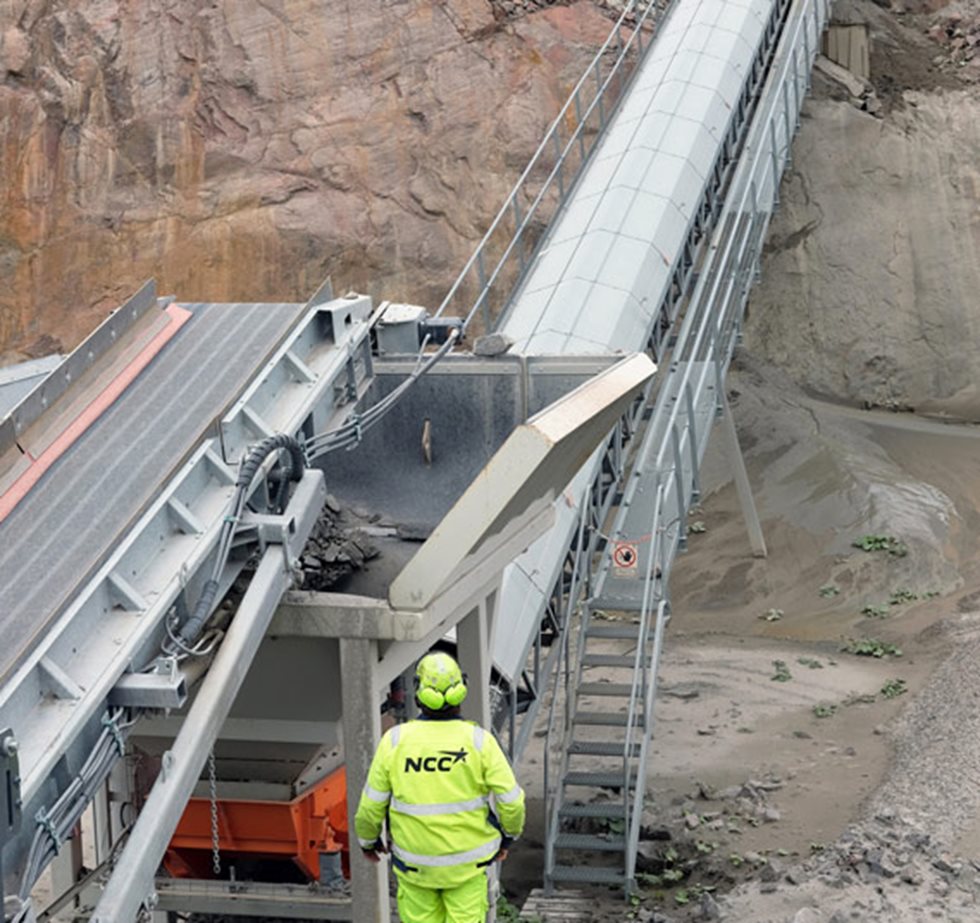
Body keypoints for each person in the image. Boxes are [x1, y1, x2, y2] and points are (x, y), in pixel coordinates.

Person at [354, 651, 525, 923]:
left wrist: (367, 841)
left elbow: (370, 807)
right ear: (462, 691)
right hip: (467, 869)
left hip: (415, 868)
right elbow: (512, 803)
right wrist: (508, 837)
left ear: (419, 693)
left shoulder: (395, 742)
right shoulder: (479, 742)